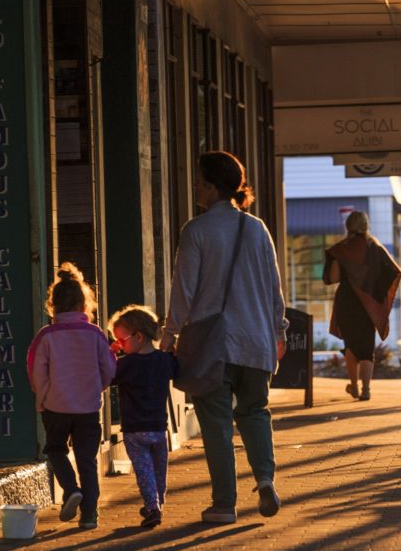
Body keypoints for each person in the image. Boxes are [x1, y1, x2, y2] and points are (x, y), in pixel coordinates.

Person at [161, 151, 288, 525]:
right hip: (256, 341)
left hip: (211, 345)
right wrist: (278, 331)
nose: (196, 187)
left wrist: (170, 336)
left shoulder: (196, 231)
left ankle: (224, 504)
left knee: (215, 423)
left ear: (213, 186)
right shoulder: (257, 228)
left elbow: (183, 292)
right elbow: (273, 288)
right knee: (255, 412)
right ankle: (265, 478)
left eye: (199, 181)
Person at [27, 262, 116, 530]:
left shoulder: (46, 336)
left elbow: (35, 371)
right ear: (84, 303)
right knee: (87, 458)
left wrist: (42, 397)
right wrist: (97, 387)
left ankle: (70, 489)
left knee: (55, 450)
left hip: (56, 405)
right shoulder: (95, 334)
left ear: (52, 304)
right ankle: (90, 514)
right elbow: (109, 368)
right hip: (88, 407)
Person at [108, 305, 177, 528]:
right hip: (159, 428)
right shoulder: (164, 361)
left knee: (144, 471)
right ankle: (157, 502)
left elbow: (106, 376)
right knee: (159, 471)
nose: (119, 345)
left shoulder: (125, 364)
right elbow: (179, 368)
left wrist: (110, 354)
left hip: (134, 430)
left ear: (138, 336)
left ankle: (153, 507)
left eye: (121, 340)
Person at [323, 211, 401, 402]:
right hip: (369, 303)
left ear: (348, 226)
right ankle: (366, 389)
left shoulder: (341, 250)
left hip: (347, 302)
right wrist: (377, 291)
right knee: (366, 345)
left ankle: (355, 387)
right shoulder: (375, 248)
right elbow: (394, 272)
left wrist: (339, 262)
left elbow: (332, 278)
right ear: (366, 226)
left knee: (350, 345)